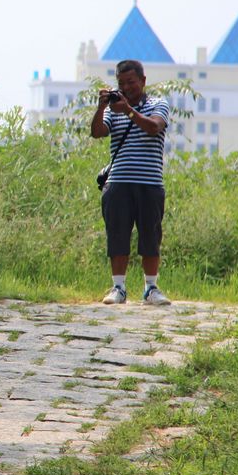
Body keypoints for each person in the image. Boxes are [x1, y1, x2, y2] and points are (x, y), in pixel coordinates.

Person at [91, 59, 172, 305]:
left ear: (143, 81)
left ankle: (151, 288)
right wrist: (100, 107)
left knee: (151, 236)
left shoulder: (158, 104)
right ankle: (118, 288)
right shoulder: (112, 109)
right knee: (117, 235)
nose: (127, 87)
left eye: (131, 82)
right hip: (118, 182)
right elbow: (97, 132)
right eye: (121, 83)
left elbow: (154, 127)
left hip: (150, 182)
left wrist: (127, 110)